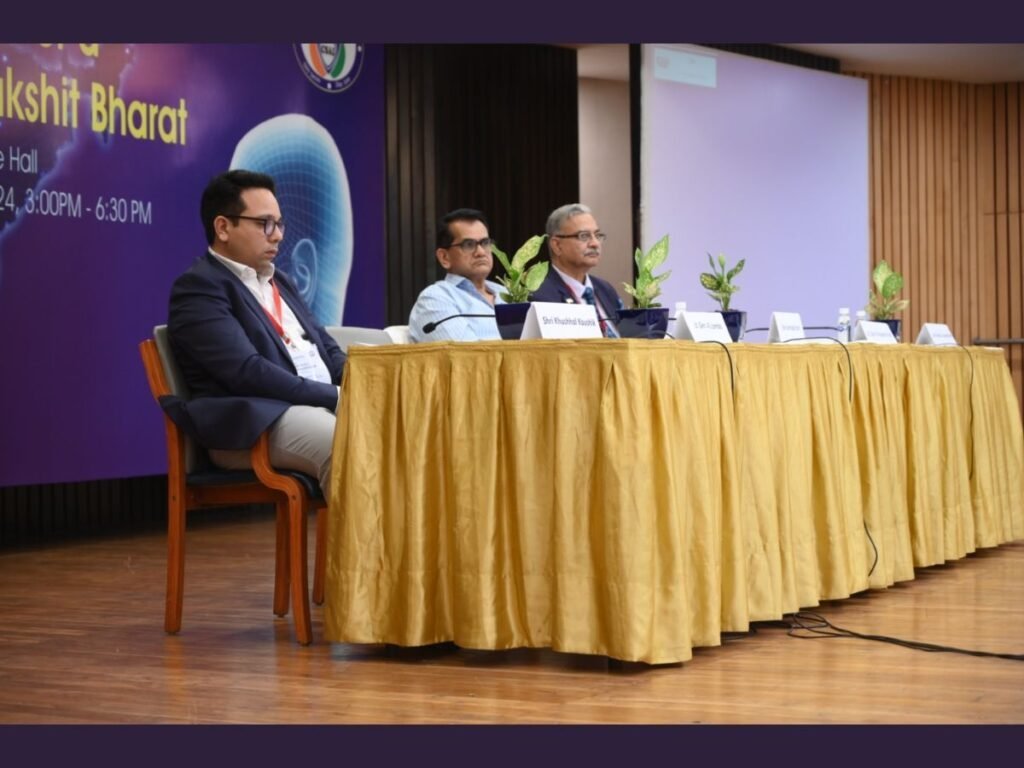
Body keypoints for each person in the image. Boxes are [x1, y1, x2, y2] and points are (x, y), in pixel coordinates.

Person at [165, 169, 346, 493]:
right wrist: (336, 397)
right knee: (345, 440)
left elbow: (326, 348)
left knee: (400, 430)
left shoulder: (280, 281)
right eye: (264, 224)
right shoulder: (199, 288)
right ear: (223, 227)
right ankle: (365, 531)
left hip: (313, 406)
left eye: (279, 224)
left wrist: (363, 385)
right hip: (258, 421)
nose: (277, 236)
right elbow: (247, 372)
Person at [408, 208, 505, 343]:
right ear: (444, 257)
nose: (481, 252)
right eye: (469, 245)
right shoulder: (435, 299)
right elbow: (465, 353)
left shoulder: (507, 293)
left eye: (485, 243)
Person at [529, 203, 624, 337]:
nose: (595, 243)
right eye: (584, 236)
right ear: (557, 245)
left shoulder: (605, 289)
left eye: (597, 235)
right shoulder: (540, 295)